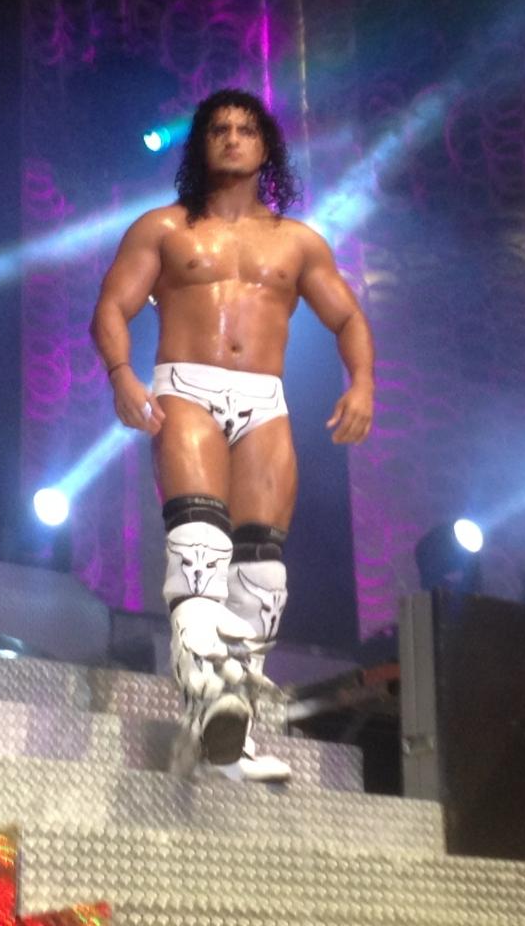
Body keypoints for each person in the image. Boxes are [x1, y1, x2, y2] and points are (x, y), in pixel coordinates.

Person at [90, 88, 375, 782]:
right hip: (185, 386)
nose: (232, 137)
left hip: (263, 400)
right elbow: (112, 307)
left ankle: (229, 735)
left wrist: (363, 383)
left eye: (247, 128)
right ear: (202, 143)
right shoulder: (164, 228)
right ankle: (203, 693)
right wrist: (123, 375)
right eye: (219, 128)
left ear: (266, 146)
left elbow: (347, 317)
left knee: (263, 576)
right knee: (199, 549)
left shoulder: (298, 242)